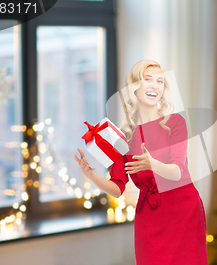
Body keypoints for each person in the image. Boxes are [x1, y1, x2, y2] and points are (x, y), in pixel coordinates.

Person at [74, 60, 208, 265]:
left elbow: (177, 171)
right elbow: (118, 187)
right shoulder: (123, 136)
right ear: (134, 86)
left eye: (160, 81)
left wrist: (152, 163)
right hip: (150, 215)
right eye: (148, 80)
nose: (155, 85)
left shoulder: (175, 123)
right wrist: (91, 175)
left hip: (183, 210)